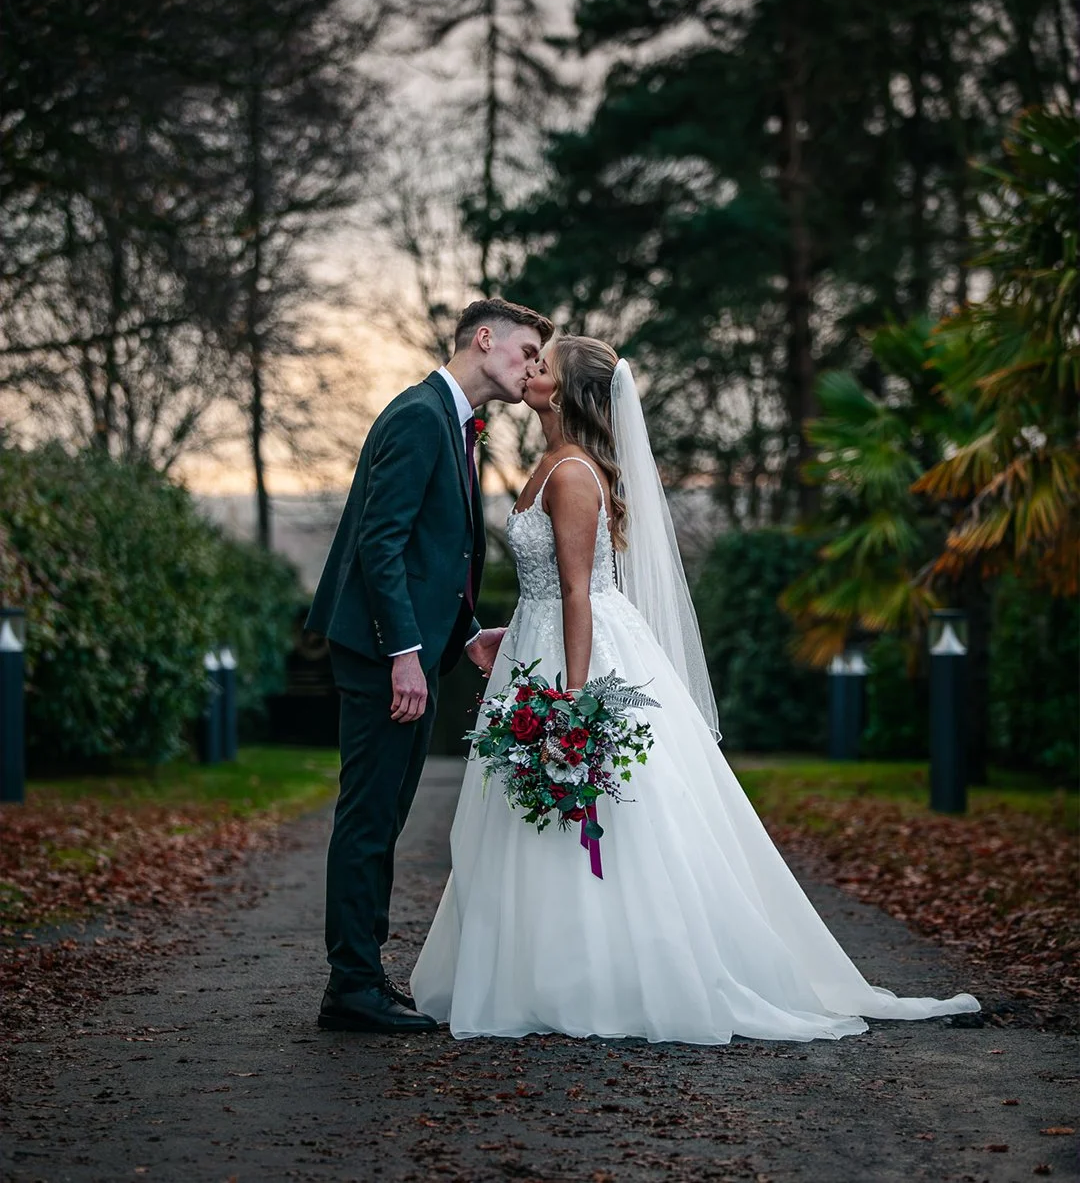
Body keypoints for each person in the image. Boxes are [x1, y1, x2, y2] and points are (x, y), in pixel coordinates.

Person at [410, 336, 980, 1043]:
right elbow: (547, 587)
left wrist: (574, 701)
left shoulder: (574, 474)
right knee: (535, 820)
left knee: (608, 817)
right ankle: (538, 971)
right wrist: (512, 632)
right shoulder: (546, 463)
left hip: (574, 656)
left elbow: (580, 596)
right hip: (536, 643)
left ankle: (606, 975)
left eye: (542, 365)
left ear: (569, 395)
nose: (528, 370)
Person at [307, 298, 554, 1033]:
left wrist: (468, 632)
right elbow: (378, 545)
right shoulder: (420, 415)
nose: (534, 369)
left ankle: (357, 979)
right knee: (370, 816)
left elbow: (432, 553)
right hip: (382, 654)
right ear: (485, 340)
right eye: (526, 353)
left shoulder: (452, 421)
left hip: (407, 647)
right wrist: (403, 654)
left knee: (381, 814)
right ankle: (352, 986)